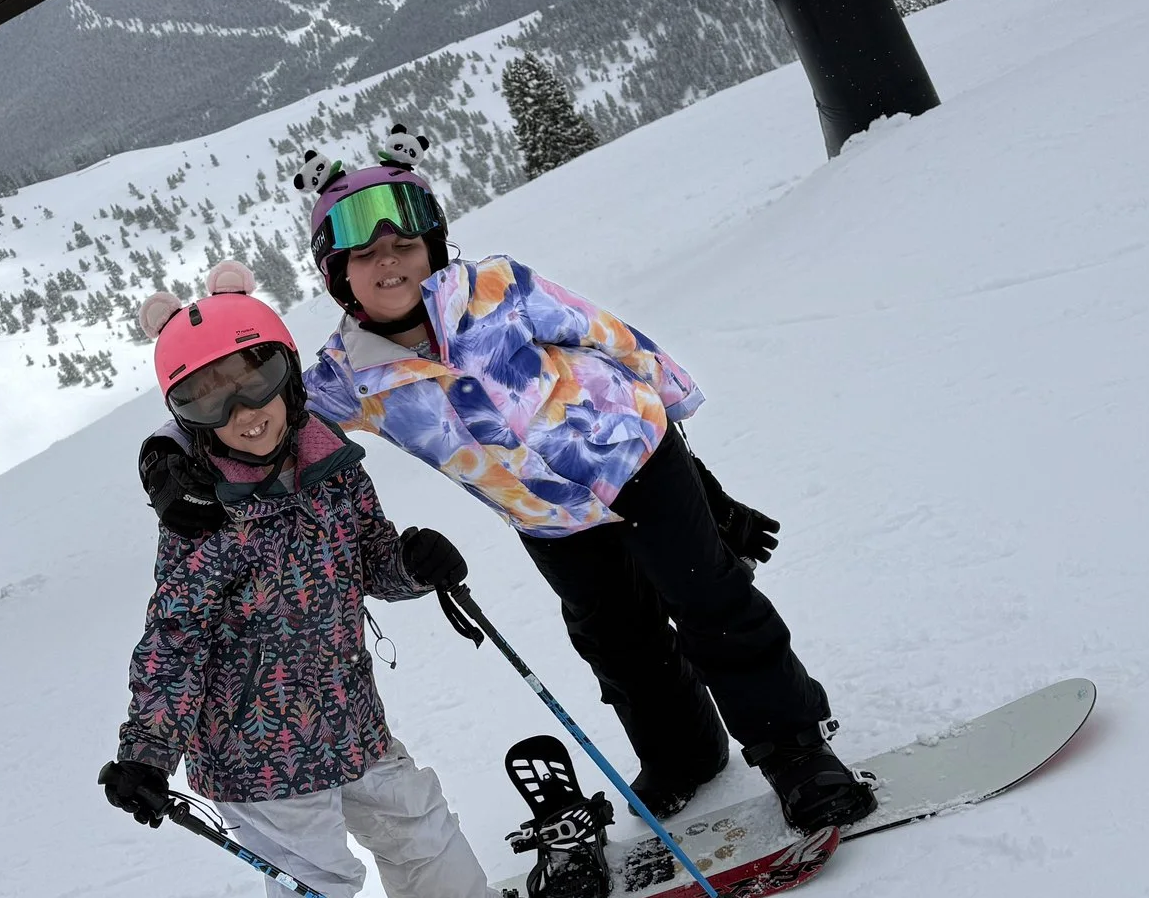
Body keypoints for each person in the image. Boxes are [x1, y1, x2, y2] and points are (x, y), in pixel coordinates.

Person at [138, 128, 874, 844]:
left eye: (403, 245)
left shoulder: (496, 287)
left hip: (634, 458)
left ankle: (798, 753)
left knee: (710, 599)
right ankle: (685, 752)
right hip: (547, 516)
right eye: (364, 255)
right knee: (616, 639)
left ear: (433, 246)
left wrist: (702, 477)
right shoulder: (347, 375)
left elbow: (608, 335)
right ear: (337, 275)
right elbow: (269, 411)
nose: (387, 262)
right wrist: (170, 456)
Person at [100, 262, 601, 898]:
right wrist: (146, 751)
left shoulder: (331, 465)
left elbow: (369, 558)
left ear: (286, 371)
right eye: (206, 402)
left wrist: (410, 562)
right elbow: (173, 641)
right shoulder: (201, 517)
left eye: (253, 380)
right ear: (182, 417)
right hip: (255, 752)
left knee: (412, 814)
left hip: (344, 710)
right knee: (316, 887)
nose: (242, 413)